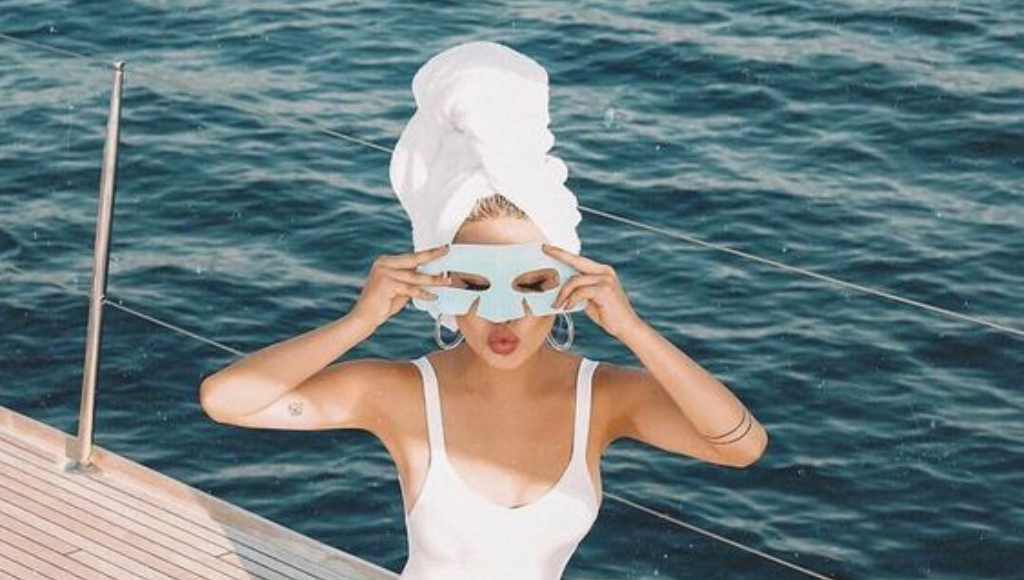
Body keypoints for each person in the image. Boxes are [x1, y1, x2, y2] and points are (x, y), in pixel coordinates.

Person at [199, 41, 767, 580]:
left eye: (532, 284)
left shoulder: (602, 398)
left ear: (567, 283)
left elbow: (742, 446)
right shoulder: (400, 394)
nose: (504, 315)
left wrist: (634, 330)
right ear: (439, 286)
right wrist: (359, 321)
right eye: (473, 284)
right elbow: (225, 400)